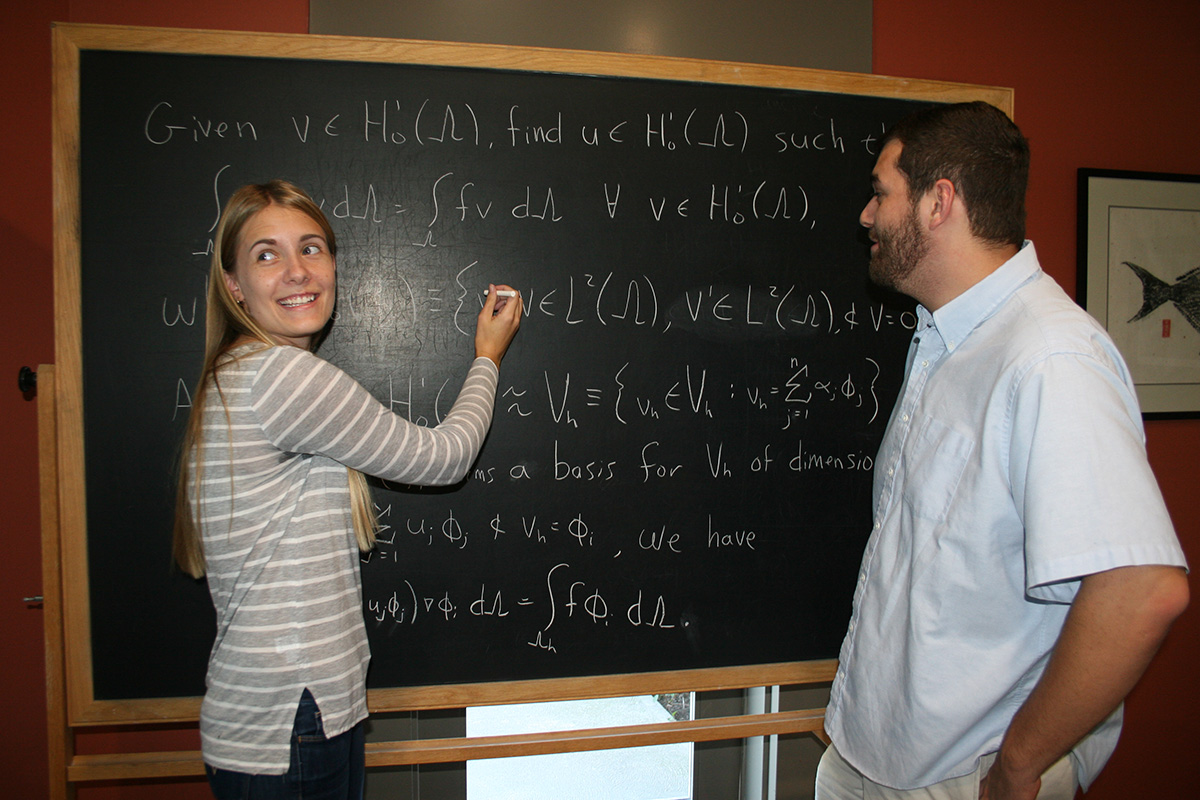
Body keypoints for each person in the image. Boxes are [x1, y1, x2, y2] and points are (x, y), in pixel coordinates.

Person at [816, 102, 1189, 800]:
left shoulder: (1048, 359)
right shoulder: (944, 343)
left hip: (966, 774)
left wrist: (1020, 765)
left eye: (881, 191)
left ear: (939, 202)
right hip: (879, 755)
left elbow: (1143, 590)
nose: (867, 215)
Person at [172, 179, 523, 799]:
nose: (296, 271)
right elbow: (443, 458)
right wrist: (488, 356)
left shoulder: (237, 374)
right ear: (234, 286)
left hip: (275, 720)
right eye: (266, 254)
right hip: (294, 720)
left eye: (311, 248)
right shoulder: (281, 377)